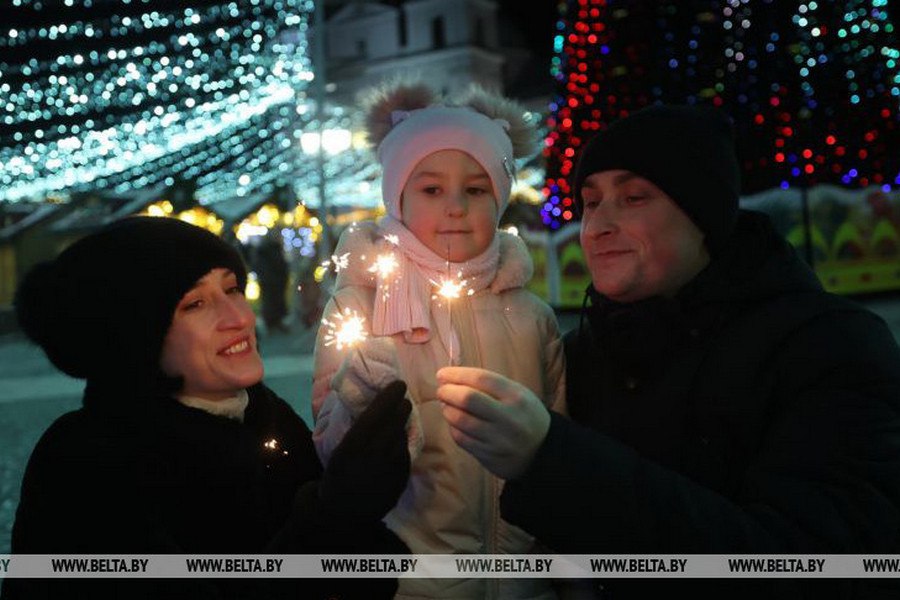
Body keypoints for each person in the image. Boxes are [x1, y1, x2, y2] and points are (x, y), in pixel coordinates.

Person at [437, 104, 900, 599]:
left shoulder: (829, 347)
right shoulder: (581, 353)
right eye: (590, 203)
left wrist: (552, 460)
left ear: (703, 213)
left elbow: (817, 567)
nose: (597, 227)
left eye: (634, 198)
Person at [2, 216, 411, 600]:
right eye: (195, 304)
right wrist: (334, 515)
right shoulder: (87, 461)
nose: (238, 317)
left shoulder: (267, 417)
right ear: (134, 336)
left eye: (232, 289)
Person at [310, 82, 566, 599]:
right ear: (397, 197)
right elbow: (330, 454)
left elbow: (561, 445)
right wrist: (357, 400)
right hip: (414, 581)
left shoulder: (532, 314)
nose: (455, 207)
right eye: (431, 189)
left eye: (475, 190)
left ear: (499, 199)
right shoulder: (361, 307)